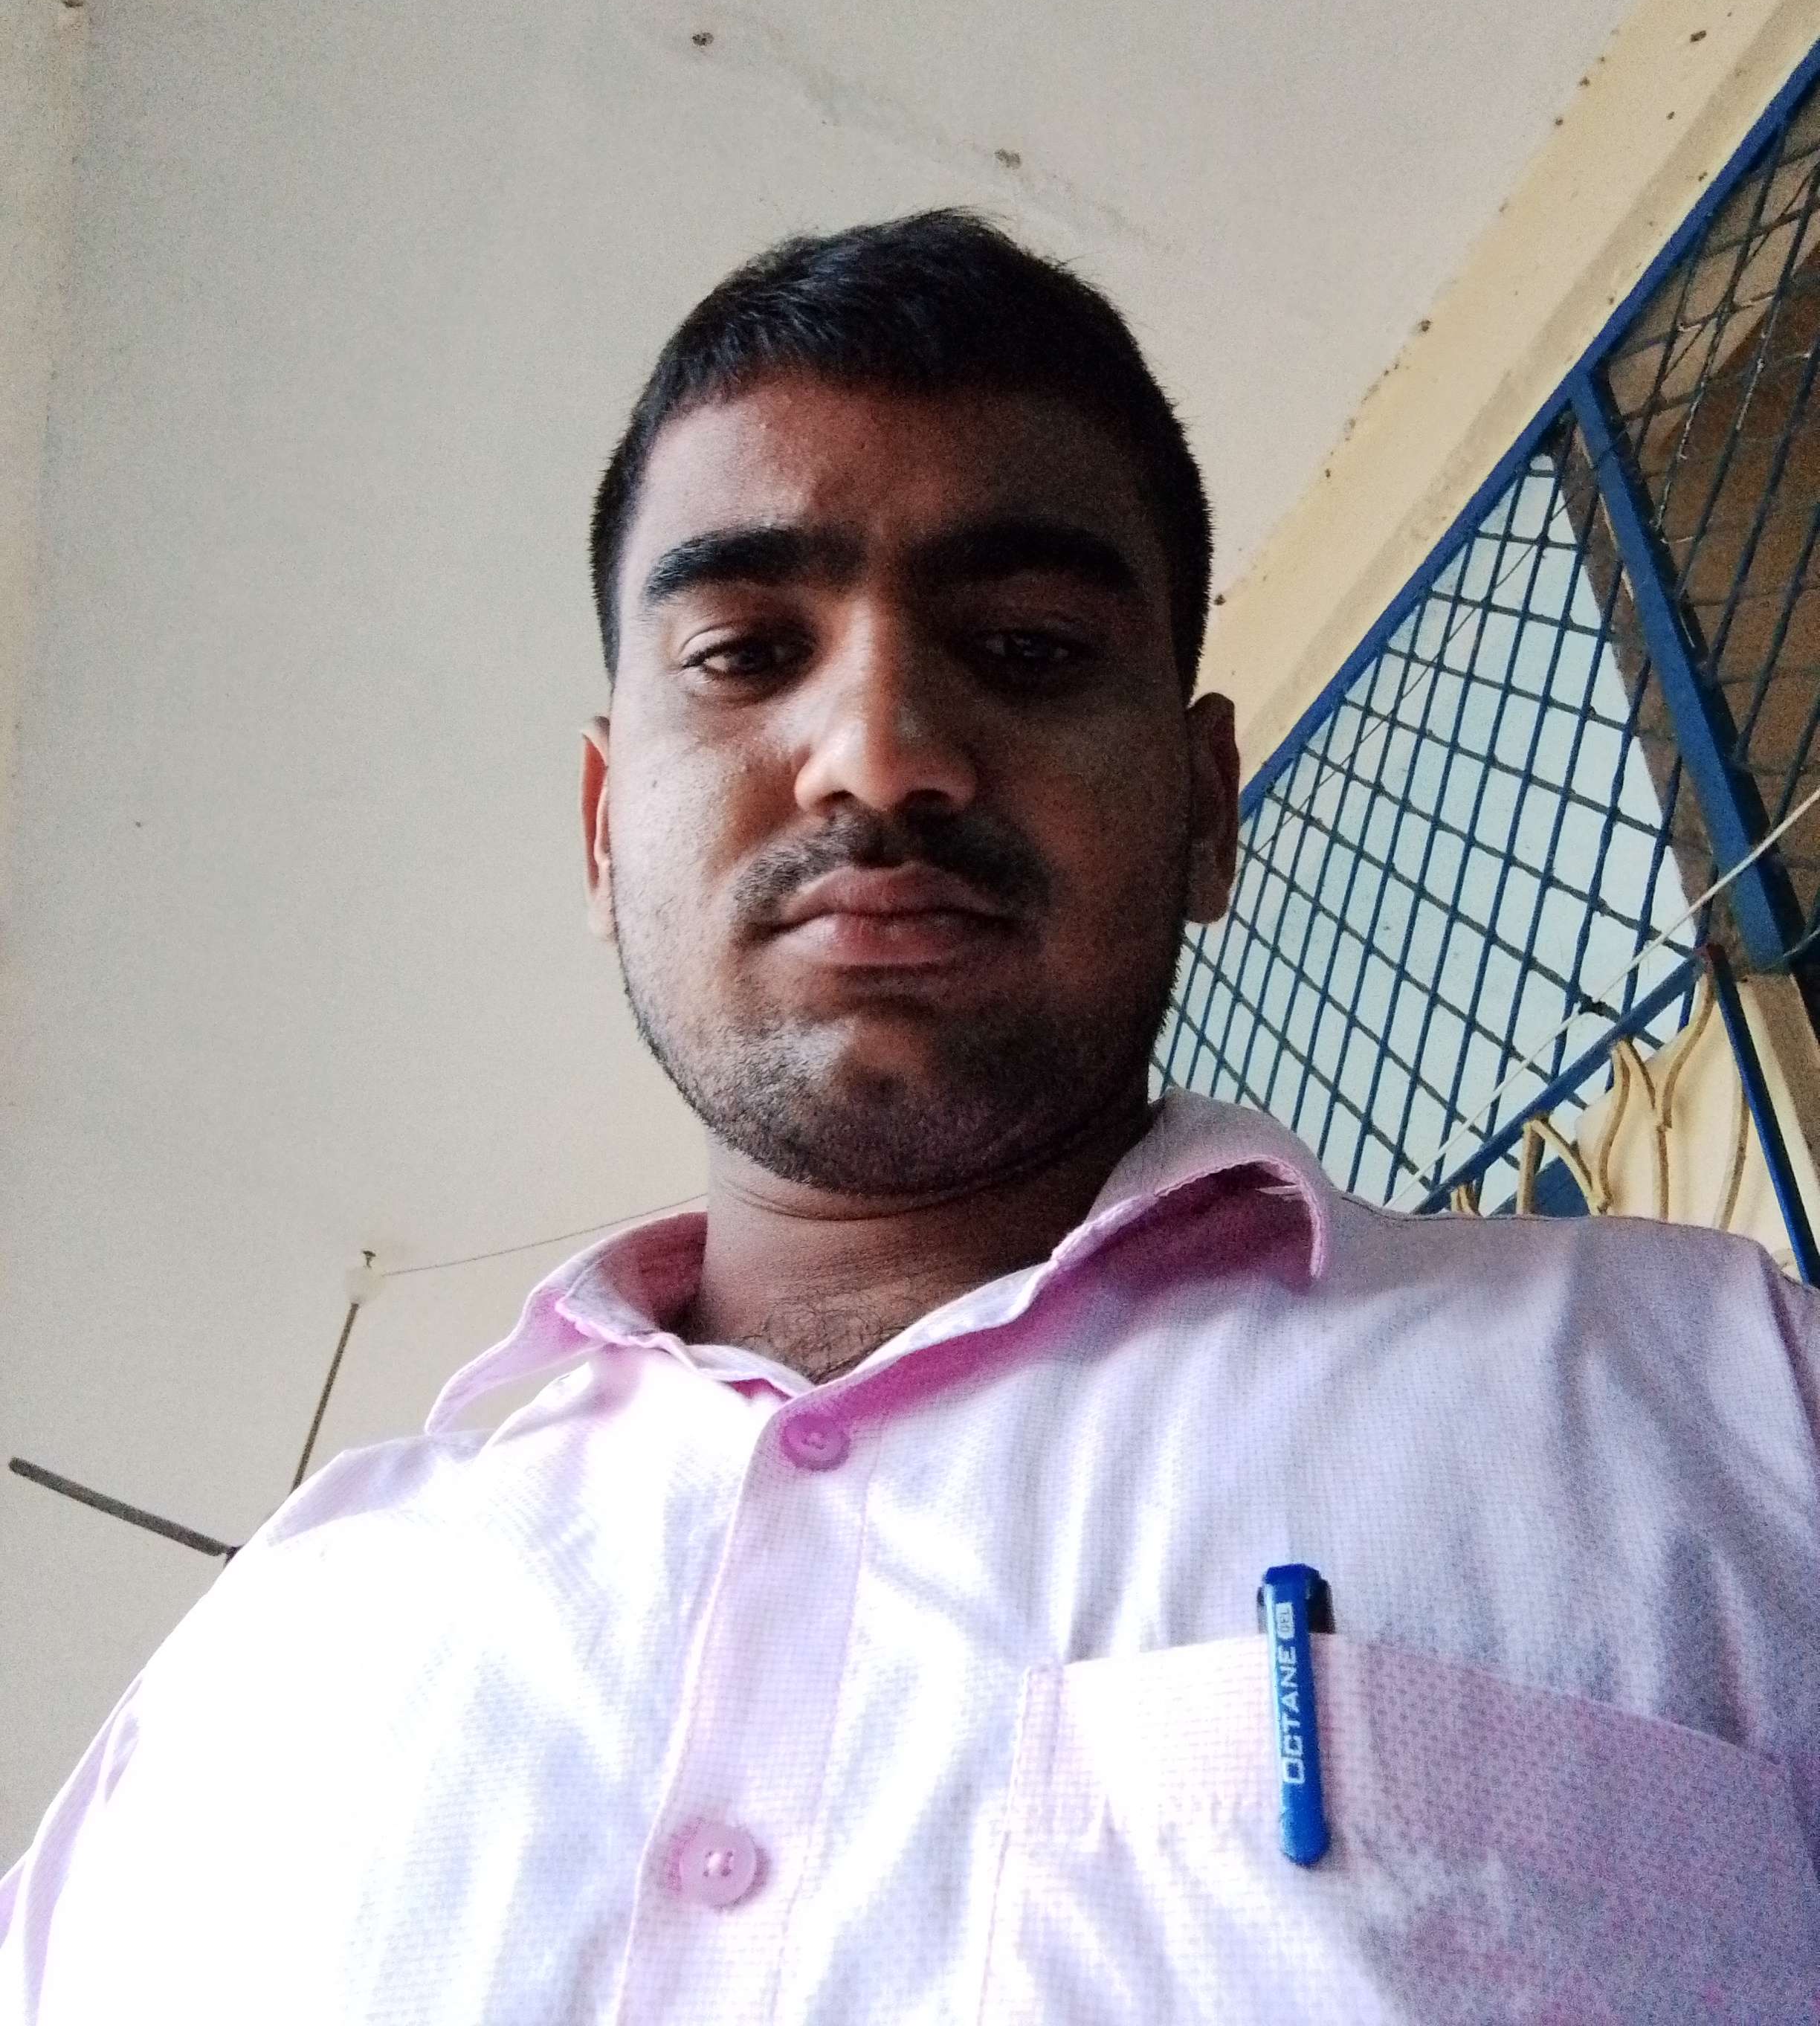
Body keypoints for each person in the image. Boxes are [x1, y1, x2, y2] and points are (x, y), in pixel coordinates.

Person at [3, 209, 1818, 2022]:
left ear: (1206, 811)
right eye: (742, 652)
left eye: (1026, 645)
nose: (879, 752)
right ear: (604, 828)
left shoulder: (1729, 1415)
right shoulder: (277, 1645)